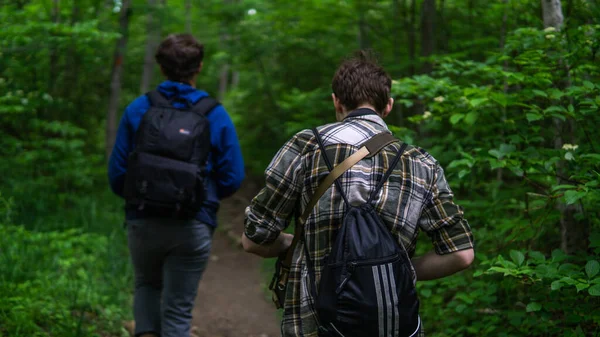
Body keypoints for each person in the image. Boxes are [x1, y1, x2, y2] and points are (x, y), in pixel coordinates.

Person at [242, 51, 474, 336]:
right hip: (390, 325)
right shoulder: (421, 163)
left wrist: (298, 244)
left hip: (316, 324)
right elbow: (461, 255)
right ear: (387, 106)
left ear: (336, 102)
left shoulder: (306, 145)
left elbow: (253, 239)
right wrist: (400, 269)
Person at [108, 34, 245, 337]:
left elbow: (118, 174)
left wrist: (140, 198)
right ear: (199, 67)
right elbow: (232, 177)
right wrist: (204, 197)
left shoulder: (138, 109)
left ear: (161, 68)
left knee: (146, 284)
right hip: (193, 223)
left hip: (143, 219)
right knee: (178, 312)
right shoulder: (215, 114)